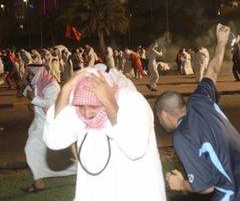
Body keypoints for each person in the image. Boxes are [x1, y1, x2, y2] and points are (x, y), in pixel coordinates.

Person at [154, 24, 240, 200]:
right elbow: (213, 71)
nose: (160, 123)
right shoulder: (200, 99)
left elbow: (205, 186)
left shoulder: (182, 136)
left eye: (158, 118)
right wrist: (221, 42)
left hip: (233, 195)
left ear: (164, 114)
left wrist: (180, 184)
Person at [43, 66, 166, 201]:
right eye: (81, 106)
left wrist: (109, 102)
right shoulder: (80, 109)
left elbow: (135, 149)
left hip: (135, 193)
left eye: (93, 106)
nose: (87, 113)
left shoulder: (132, 102)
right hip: (95, 193)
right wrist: (66, 89)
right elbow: (54, 140)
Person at [23, 63, 77, 193]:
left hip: (53, 124)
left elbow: (52, 104)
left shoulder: (51, 85)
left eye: (31, 73)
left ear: (38, 71)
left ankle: (81, 172)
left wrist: (34, 99)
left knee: (65, 155)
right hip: (40, 125)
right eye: (29, 73)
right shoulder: (36, 83)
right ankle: (38, 182)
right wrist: (30, 99)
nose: (29, 75)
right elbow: (27, 95)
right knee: (31, 149)